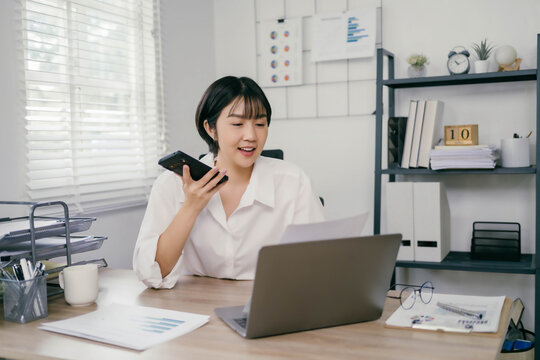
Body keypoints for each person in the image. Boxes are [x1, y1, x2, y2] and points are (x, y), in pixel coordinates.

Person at [133, 76, 324, 288]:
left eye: (260, 124)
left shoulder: (293, 182)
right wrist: (191, 207)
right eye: (237, 124)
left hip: (267, 302)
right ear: (210, 129)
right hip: (193, 305)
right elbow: (150, 274)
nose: (251, 135)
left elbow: (318, 264)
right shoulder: (170, 185)